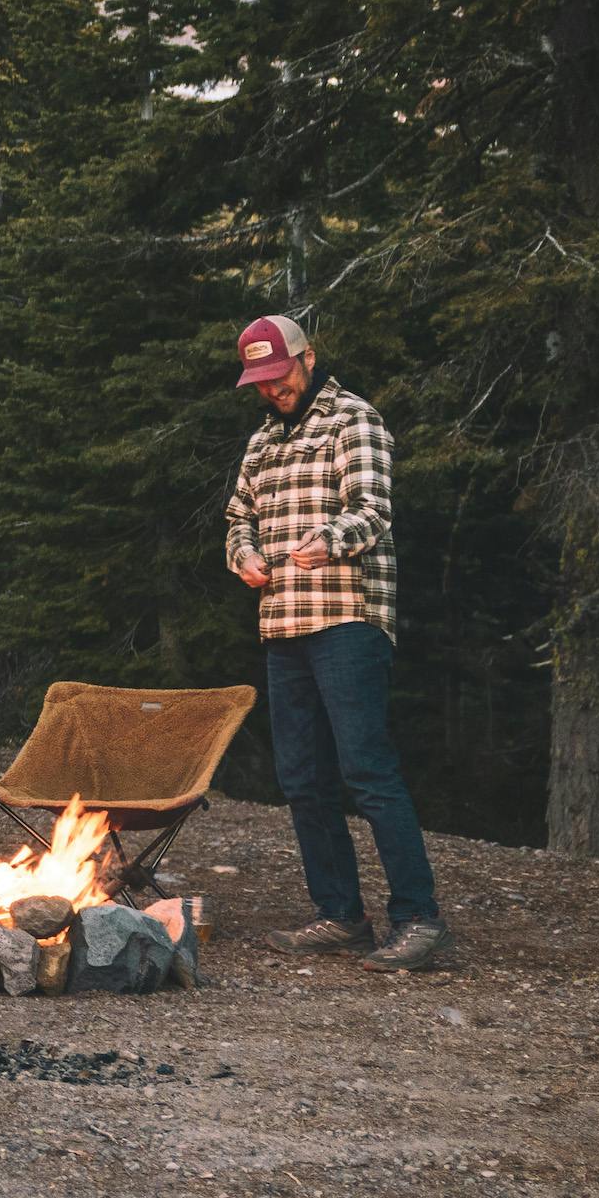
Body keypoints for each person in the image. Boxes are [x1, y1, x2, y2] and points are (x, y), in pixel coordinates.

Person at [223, 314, 457, 972]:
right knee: (302, 780)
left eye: (281, 375)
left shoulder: (354, 420)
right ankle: (340, 914)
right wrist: (243, 554)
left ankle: (419, 919)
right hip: (284, 626)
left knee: (368, 772)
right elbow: (238, 516)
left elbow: (374, 509)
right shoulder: (263, 441)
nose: (274, 390)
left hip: (348, 618)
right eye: (262, 382)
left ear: (308, 358)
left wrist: (328, 541)